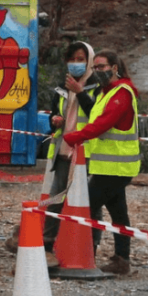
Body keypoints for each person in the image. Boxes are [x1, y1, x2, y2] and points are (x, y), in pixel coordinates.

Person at [62, 50, 140, 276]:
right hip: (109, 167)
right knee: (118, 214)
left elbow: (103, 124)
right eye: (95, 68)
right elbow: (96, 118)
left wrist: (73, 137)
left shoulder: (121, 93)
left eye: (102, 67)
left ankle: (79, 254)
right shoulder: (108, 93)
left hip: (115, 168)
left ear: (115, 67)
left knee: (83, 206)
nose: (98, 71)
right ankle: (121, 259)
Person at [44, 41, 97, 263]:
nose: (76, 64)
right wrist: (54, 120)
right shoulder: (62, 86)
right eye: (72, 59)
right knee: (55, 198)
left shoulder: (97, 86)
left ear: (90, 60)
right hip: (64, 150)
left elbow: (96, 114)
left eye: (80, 59)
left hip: (86, 154)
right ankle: (46, 244)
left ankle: (91, 246)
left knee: (90, 201)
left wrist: (80, 92)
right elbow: (54, 113)